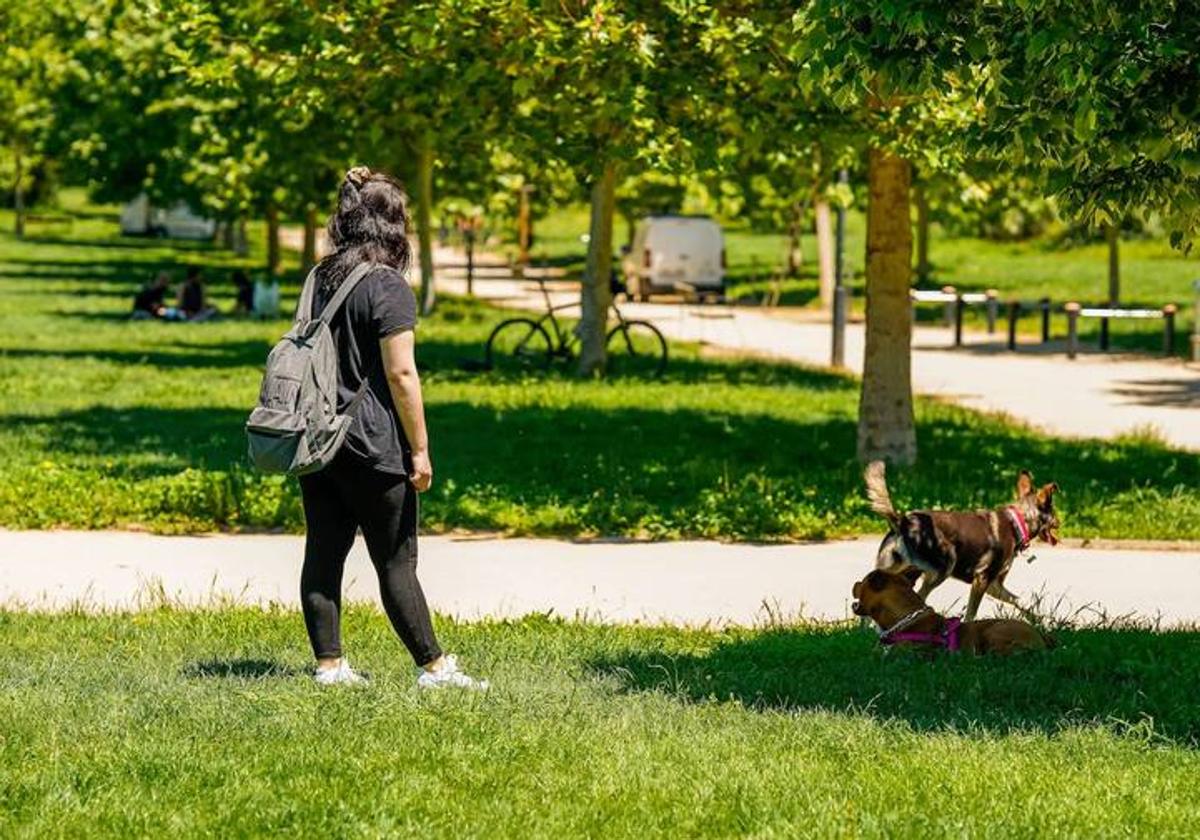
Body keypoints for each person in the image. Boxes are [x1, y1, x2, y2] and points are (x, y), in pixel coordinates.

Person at [299, 166, 487, 690]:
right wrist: (421, 450)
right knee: (396, 560)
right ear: (392, 224)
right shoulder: (387, 286)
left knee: (323, 550)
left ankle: (329, 667)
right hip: (372, 442)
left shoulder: (320, 277)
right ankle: (433, 667)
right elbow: (401, 374)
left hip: (319, 437)